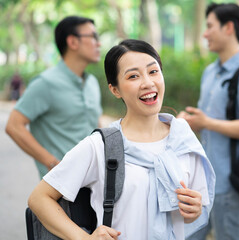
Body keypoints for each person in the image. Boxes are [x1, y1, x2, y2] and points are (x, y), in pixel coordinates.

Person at [28, 39, 215, 240]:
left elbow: (189, 216)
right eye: (133, 76)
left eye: (153, 72)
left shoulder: (183, 140)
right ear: (115, 89)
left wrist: (193, 211)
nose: (148, 83)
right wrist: (83, 238)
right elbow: (39, 198)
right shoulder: (102, 146)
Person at [178, 3, 239, 240]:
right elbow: (208, 122)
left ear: (228, 28)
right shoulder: (210, 72)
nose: (205, 33)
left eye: (210, 26)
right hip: (201, 183)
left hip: (227, 185)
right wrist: (189, 122)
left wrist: (207, 122)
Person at [5, 16, 103, 178]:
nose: (98, 43)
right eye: (93, 37)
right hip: (60, 187)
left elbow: (95, 126)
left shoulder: (92, 82)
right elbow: (14, 126)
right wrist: (52, 163)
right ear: (72, 42)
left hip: (94, 182)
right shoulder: (45, 83)